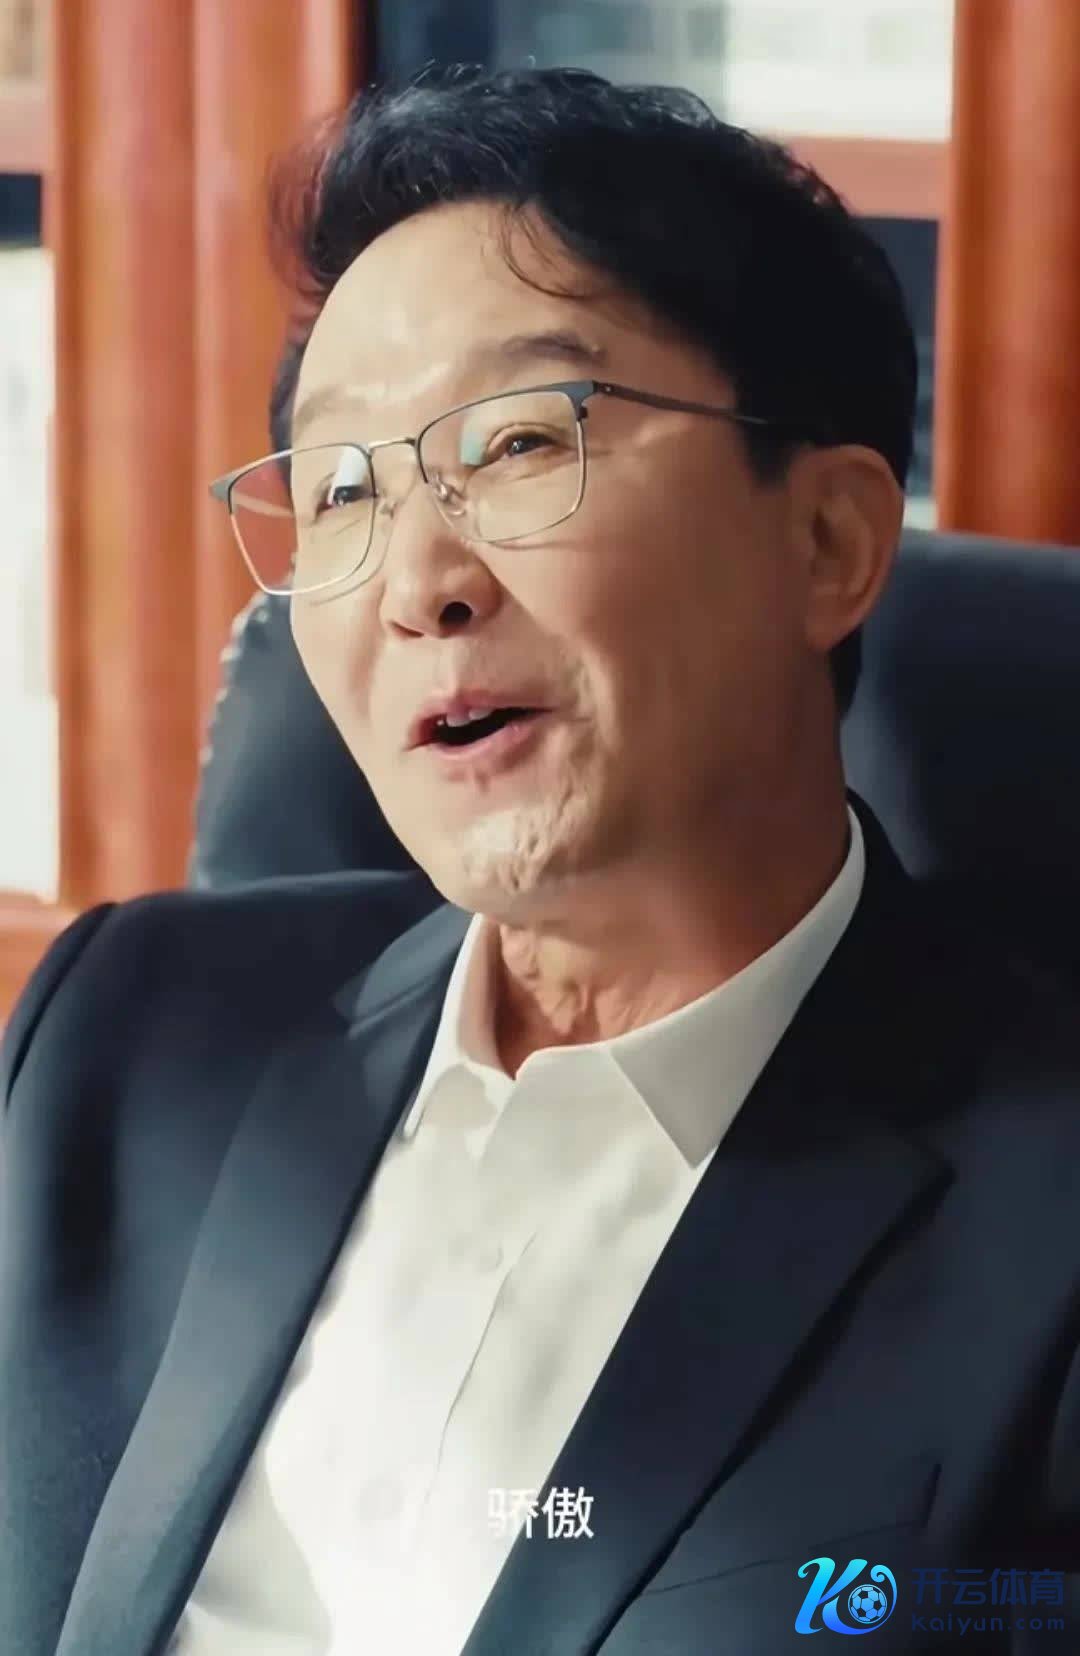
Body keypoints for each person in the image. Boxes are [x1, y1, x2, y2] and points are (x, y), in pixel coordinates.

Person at [2, 64, 1078, 1656]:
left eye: (517, 442)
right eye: (344, 489)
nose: (416, 581)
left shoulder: (1042, 1226)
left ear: (827, 544)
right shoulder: (128, 1031)